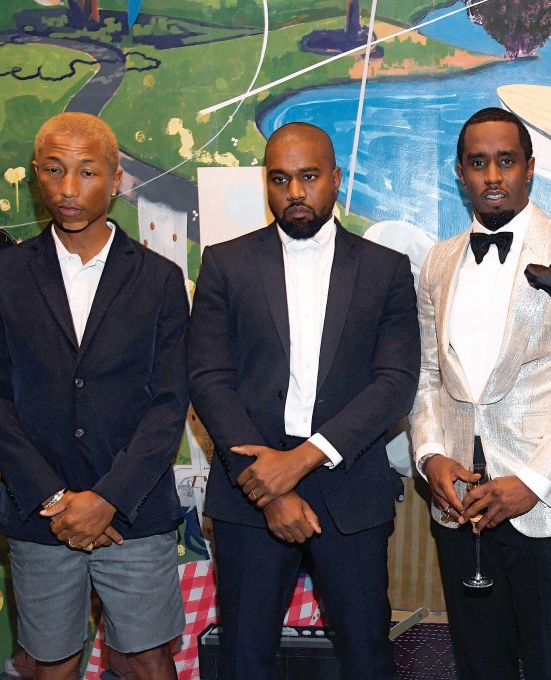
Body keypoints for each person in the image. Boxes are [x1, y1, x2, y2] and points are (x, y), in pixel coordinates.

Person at [188, 122, 420, 680]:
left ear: (335, 179)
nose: (295, 192)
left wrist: (301, 459)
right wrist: (267, 488)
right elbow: (207, 377)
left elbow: (395, 382)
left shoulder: (384, 270)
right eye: (280, 179)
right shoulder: (226, 263)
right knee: (246, 659)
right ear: (266, 185)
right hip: (249, 490)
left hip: (349, 486)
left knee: (368, 658)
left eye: (309, 177)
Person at [0, 112, 189, 680]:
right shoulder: (2, 275)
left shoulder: (160, 278)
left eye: (87, 173)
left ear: (116, 180)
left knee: (146, 660)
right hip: (40, 513)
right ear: (37, 175)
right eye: (55, 171)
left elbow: (169, 401)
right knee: (49, 663)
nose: (68, 189)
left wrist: (108, 498)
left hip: (133, 511)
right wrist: (56, 500)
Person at [408, 107, 551, 680]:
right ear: (461, 173)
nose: (492, 176)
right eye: (478, 163)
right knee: (481, 665)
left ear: (530, 169)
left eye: (505, 161)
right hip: (460, 507)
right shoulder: (438, 260)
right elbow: (426, 374)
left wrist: (531, 481)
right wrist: (430, 457)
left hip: (547, 508)